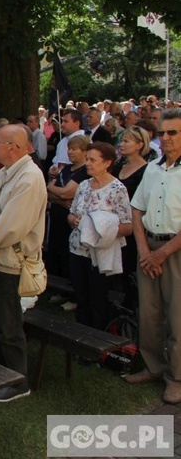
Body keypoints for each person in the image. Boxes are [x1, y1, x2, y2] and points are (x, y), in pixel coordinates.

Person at [0, 124, 47, 402]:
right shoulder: (6, 172)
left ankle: (17, 381)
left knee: (9, 325)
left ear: (14, 147)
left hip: (10, 263)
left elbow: (10, 227)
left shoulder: (29, 178)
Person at [125, 108, 181, 404]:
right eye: (163, 133)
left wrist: (162, 254)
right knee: (149, 312)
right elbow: (136, 208)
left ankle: (177, 377)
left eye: (173, 132)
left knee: (177, 316)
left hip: (175, 251)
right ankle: (153, 366)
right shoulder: (153, 168)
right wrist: (145, 250)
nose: (166, 138)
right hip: (148, 247)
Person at [67, 142, 132, 332]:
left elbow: (127, 227)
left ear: (107, 163)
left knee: (97, 299)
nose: (87, 163)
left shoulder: (117, 189)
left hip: (100, 253)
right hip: (78, 249)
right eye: (87, 159)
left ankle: (97, 340)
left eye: (92, 160)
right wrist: (74, 220)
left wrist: (99, 228)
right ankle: (80, 337)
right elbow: (70, 213)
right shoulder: (84, 185)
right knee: (81, 296)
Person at [111, 126, 150, 309]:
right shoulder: (118, 165)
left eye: (127, 141)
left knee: (128, 269)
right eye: (122, 140)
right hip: (113, 225)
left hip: (133, 227)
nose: (122, 144)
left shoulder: (146, 171)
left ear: (139, 145)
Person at [46, 135, 90, 278]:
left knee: (67, 253)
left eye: (74, 149)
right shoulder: (66, 169)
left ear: (84, 151)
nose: (70, 152)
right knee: (55, 250)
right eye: (69, 148)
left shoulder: (84, 172)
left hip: (70, 221)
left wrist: (53, 189)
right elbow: (49, 194)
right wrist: (58, 198)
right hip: (57, 216)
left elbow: (66, 193)